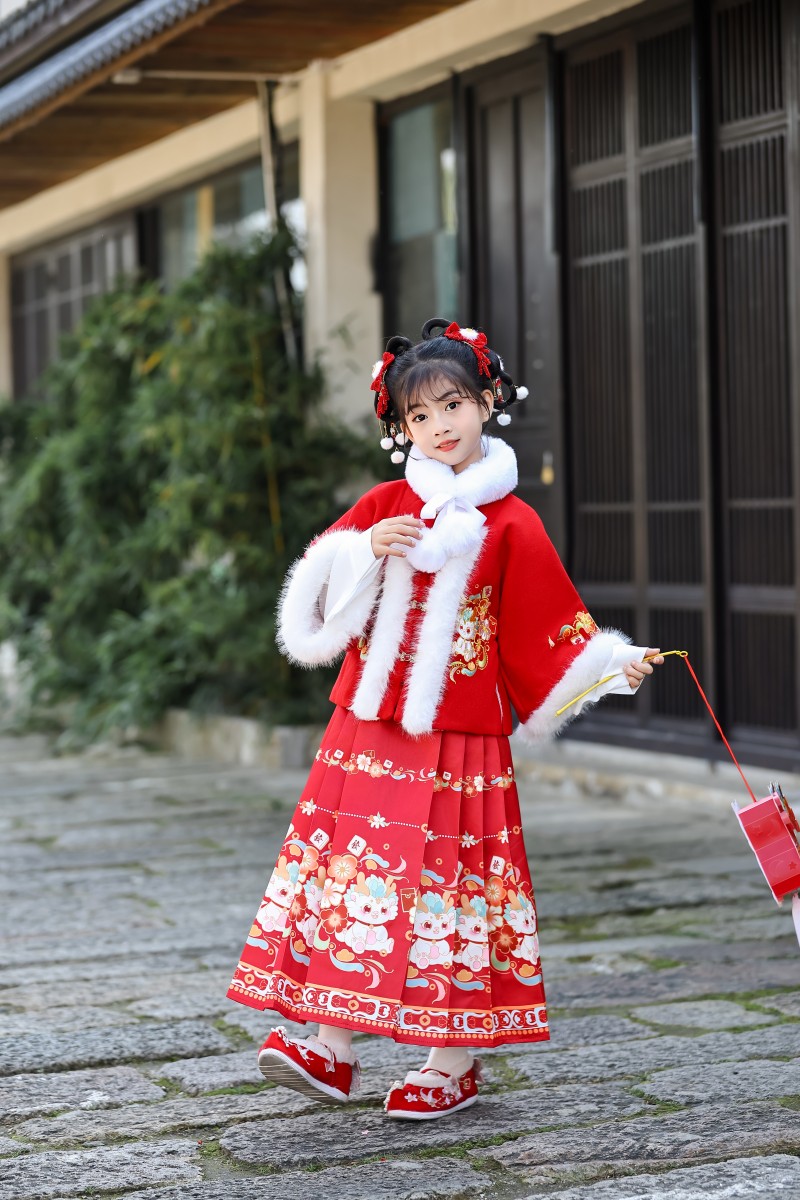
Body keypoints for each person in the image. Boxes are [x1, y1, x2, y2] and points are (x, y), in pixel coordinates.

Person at [226, 318, 663, 1119]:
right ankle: (330, 1047)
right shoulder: (386, 504)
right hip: (369, 728)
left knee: (448, 886)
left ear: (487, 399)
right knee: (354, 877)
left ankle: (450, 1060)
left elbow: (549, 629)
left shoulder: (514, 524)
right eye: (419, 417)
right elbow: (313, 608)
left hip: (461, 736)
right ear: (400, 429)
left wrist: (611, 663)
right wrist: (363, 551)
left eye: (453, 404)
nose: (440, 426)